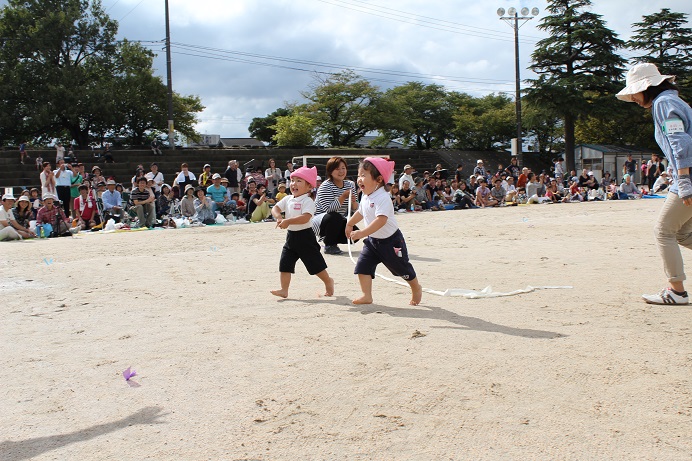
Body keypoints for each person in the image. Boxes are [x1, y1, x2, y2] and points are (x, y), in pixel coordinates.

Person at [616, 63, 692, 304]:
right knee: (681, 232)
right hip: (685, 175)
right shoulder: (675, 101)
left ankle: (676, 291)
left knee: (664, 231)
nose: (634, 99)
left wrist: (684, 180)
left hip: (688, 177)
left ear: (647, 87)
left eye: (635, 93)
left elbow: (679, 143)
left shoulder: (663, 104)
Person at [346, 157, 422, 306]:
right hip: (372, 242)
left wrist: (361, 233)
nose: (359, 179)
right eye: (358, 175)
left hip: (391, 241)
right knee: (362, 267)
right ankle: (366, 295)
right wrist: (350, 223)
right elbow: (361, 212)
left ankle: (416, 287)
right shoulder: (366, 196)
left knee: (402, 269)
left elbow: (381, 220)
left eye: (363, 175)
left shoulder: (383, 197)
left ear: (379, 179)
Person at [270, 166, 334, 299]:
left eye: (299, 181)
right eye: (293, 180)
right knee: (285, 264)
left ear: (309, 186)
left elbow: (305, 217)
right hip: (291, 237)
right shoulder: (288, 199)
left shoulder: (308, 201)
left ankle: (328, 281)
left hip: (306, 237)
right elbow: (275, 208)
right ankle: (284, 289)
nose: (294, 184)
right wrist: (279, 217)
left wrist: (288, 221)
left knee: (315, 266)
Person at [312, 156, 359, 255]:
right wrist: (342, 197)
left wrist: (353, 201)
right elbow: (328, 209)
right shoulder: (325, 186)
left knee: (355, 233)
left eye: (343, 168)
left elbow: (355, 208)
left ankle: (332, 239)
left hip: (337, 219)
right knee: (334, 217)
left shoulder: (350, 184)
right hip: (320, 220)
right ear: (330, 171)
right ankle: (329, 244)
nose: (341, 171)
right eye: (337, 169)